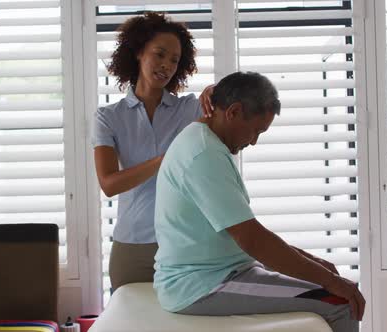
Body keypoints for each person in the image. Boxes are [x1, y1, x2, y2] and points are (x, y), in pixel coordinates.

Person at [153, 71, 365, 332]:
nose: (253, 141)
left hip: (220, 271)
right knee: (341, 302)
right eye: (255, 130)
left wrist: (314, 263)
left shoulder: (204, 141)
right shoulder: (203, 154)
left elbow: (247, 233)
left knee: (328, 283)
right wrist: (331, 281)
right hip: (202, 284)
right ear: (233, 112)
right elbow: (252, 239)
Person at [92, 12, 213, 291]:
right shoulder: (109, 117)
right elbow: (109, 184)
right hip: (132, 247)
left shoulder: (190, 109)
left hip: (184, 243)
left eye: (174, 59)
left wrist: (216, 90)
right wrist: (167, 159)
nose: (166, 65)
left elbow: (228, 110)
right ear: (138, 53)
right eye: (159, 54)